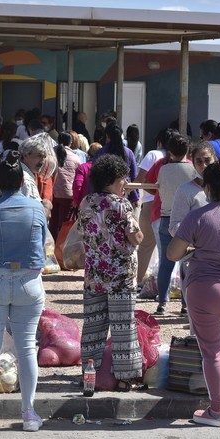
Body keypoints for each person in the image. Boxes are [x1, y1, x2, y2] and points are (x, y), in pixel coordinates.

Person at [0, 150, 46, 432]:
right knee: (27, 348)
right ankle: (28, 412)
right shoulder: (36, 208)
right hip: (29, 281)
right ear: (22, 181)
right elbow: (40, 241)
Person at [167, 159, 220, 427]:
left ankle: (217, 411)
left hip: (205, 288)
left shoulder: (198, 216)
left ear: (207, 188)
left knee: (212, 351)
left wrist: (191, 251)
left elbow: (173, 253)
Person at [78, 154, 144, 391]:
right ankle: (125, 379)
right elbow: (135, 236)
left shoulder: (86, 202)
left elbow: (83, 232)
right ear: (114, 178)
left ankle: (89, 376)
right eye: (123, 178)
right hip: (120, 277)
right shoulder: (121, 204)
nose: (125, 183)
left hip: (94, 275)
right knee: (122, 328)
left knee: (93, 328)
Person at [145, 133, 196, 315]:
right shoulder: (193, 170)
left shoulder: (163, 169)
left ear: (170, 150)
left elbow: (153, 186)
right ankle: (185, 303)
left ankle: (162, 303)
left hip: (166, 217)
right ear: (187, 150)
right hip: (188, 220)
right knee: (187, 263)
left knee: (165, 263)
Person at [169, 141, 216, 316]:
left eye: (207, 160)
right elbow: (175, 227)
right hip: (194, 261)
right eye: (199, 161)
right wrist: (201, 237)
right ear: (192, 162)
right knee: (198, 320)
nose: (203, 165)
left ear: (215, 160)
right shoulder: (185, 191)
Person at [134, 130, 167, 289]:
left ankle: (139, 281)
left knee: (145, 246)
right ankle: (165, 285)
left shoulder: (153, 154)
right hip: (170, 206)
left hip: (150, 205)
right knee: (167, 248)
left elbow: (141, 179)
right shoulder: (180, 159)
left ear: (159, 142)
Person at [49, 132, 81, 239]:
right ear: (71, 143)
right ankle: (62, 249)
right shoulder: (76, 158)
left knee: (52, 223)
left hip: (52, 193)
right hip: (68, 195)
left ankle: (51, 249)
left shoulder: (50, 154)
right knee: (64, 225)